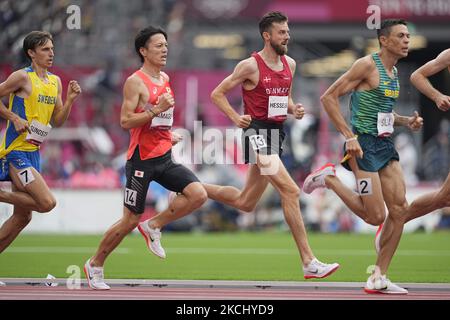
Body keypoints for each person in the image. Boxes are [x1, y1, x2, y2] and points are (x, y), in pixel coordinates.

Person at [202, 11, 340, 279]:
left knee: (246, 202)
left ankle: (191, 188)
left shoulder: (291, 64)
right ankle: (309, 262)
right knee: (290, 191)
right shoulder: (249, 66)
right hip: (254, 132)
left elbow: (283, 98)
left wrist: (294, 109)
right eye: (282, 32)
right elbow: (216, 94)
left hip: (276, 133)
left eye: (288, 31)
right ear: (267, 36)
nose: (287, 36)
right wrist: (234, 117)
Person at [302, 19, 424, 294]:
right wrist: (349, 136)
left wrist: (406, 121)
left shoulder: (393, 72)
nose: (407, 40)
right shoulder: (367, 65)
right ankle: (330, 179)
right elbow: (328, 98)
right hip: (362, 146)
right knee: (375, 216)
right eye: (401, 36)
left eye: (408, 36)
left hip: (384, 144)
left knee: (400, 210)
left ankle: (379, 276)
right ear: (384, 40)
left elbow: (383, 114)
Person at [84, 26, 207, 290]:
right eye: (158, 46)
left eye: (165, 45)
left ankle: (153, 225)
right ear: (143, 51)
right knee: (129, 220)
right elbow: (126, 121)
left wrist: (167, 132)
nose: (165, 49)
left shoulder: (164, 79)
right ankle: (95, 264)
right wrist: (156, 112)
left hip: (164, 156)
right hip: (140, 161)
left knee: (198, 194)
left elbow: (159, 120)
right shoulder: (135, 81)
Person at [0, 31, 81, 257]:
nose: (51, 53)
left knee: (22, 217)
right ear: (31, 53)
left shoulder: (55, 82)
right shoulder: (22, 77)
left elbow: (57, 121)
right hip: (15, 151)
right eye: (45, 49)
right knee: (46, 203)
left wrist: (71, 101)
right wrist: (14, 118)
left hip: (34, 152)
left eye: (52, 49)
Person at [373, 49, 450, 250]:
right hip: (276, 135)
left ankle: (395, 221)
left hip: (276, 137)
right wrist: (437, 96)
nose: (406, 41)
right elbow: (417, 76)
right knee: (445, 197)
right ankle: (394, 222)